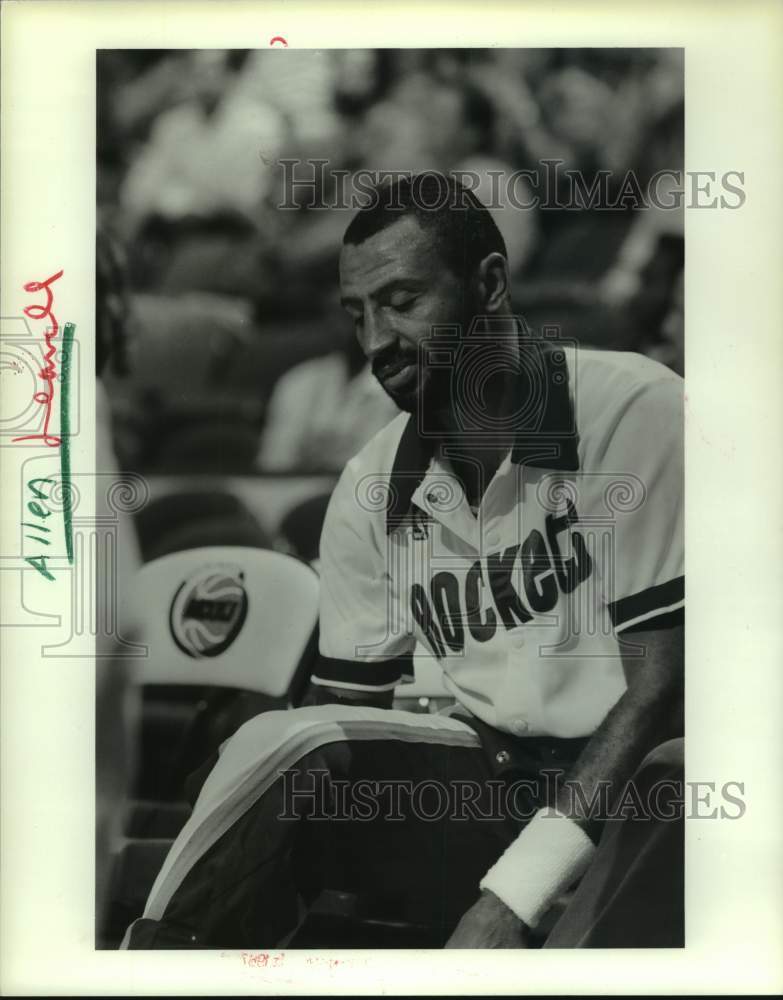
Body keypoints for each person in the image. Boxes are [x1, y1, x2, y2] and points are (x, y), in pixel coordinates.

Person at [124, 175, 683, 950]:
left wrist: (510, 900)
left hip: (645, 789)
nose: (375, 341)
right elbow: (338, 713)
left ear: (489, 284)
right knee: (289, 743)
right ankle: (157, 961)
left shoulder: (633, 410)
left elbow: (661, 691)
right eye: (357, 314)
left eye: (402, 301)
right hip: (491, 785)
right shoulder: (369, 481)